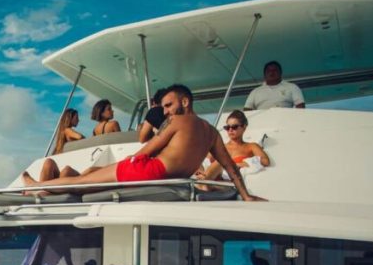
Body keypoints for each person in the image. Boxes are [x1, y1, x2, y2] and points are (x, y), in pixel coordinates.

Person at [21, 85, 264, 202]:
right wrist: (246, 196)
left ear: (185, 102)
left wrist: (126, 163)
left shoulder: (177, 121)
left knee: (82, 180)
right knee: (89, 181)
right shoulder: (212, 133)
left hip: (149, 170)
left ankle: (38, 186)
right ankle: (45, 187)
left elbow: (148, 148)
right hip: (163, 176)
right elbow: (231, 168)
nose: (166, 111)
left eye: (169, 105)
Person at [196, 110, 271, 181]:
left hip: (230, 183)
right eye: (227, 127)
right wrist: (200, 169)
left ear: (244, 127)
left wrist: (242, 164)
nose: (230, 130)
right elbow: (201, 159)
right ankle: (202, 181)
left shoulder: (251, 146)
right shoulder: (220, 146)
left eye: (234, 127)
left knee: (220, 163)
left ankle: (202, 183)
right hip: (213, 180)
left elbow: (265, 161)